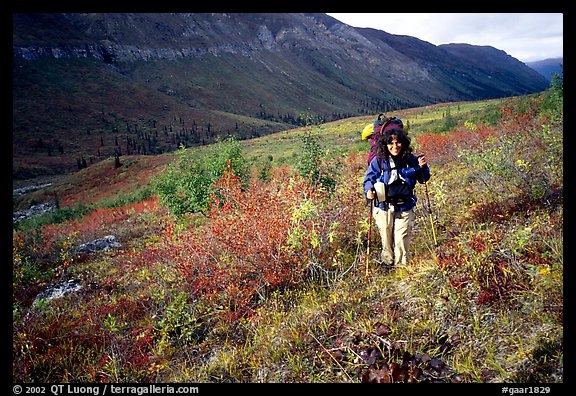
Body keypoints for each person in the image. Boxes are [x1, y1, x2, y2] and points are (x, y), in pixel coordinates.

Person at [363, 126, 430, 267]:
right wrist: (369, 190)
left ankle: (401, 268)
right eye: (391, 143)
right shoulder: (379, 161)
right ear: (385, 144)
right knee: (386, 238)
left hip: (405, 205)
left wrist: (423, 167)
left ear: (403, 143)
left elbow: (423, 179)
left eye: (398, 142)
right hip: (383, 206)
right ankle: (388, 263)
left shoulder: (410, 159)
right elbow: (368, 179)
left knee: (401, 238)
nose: (395, 146)